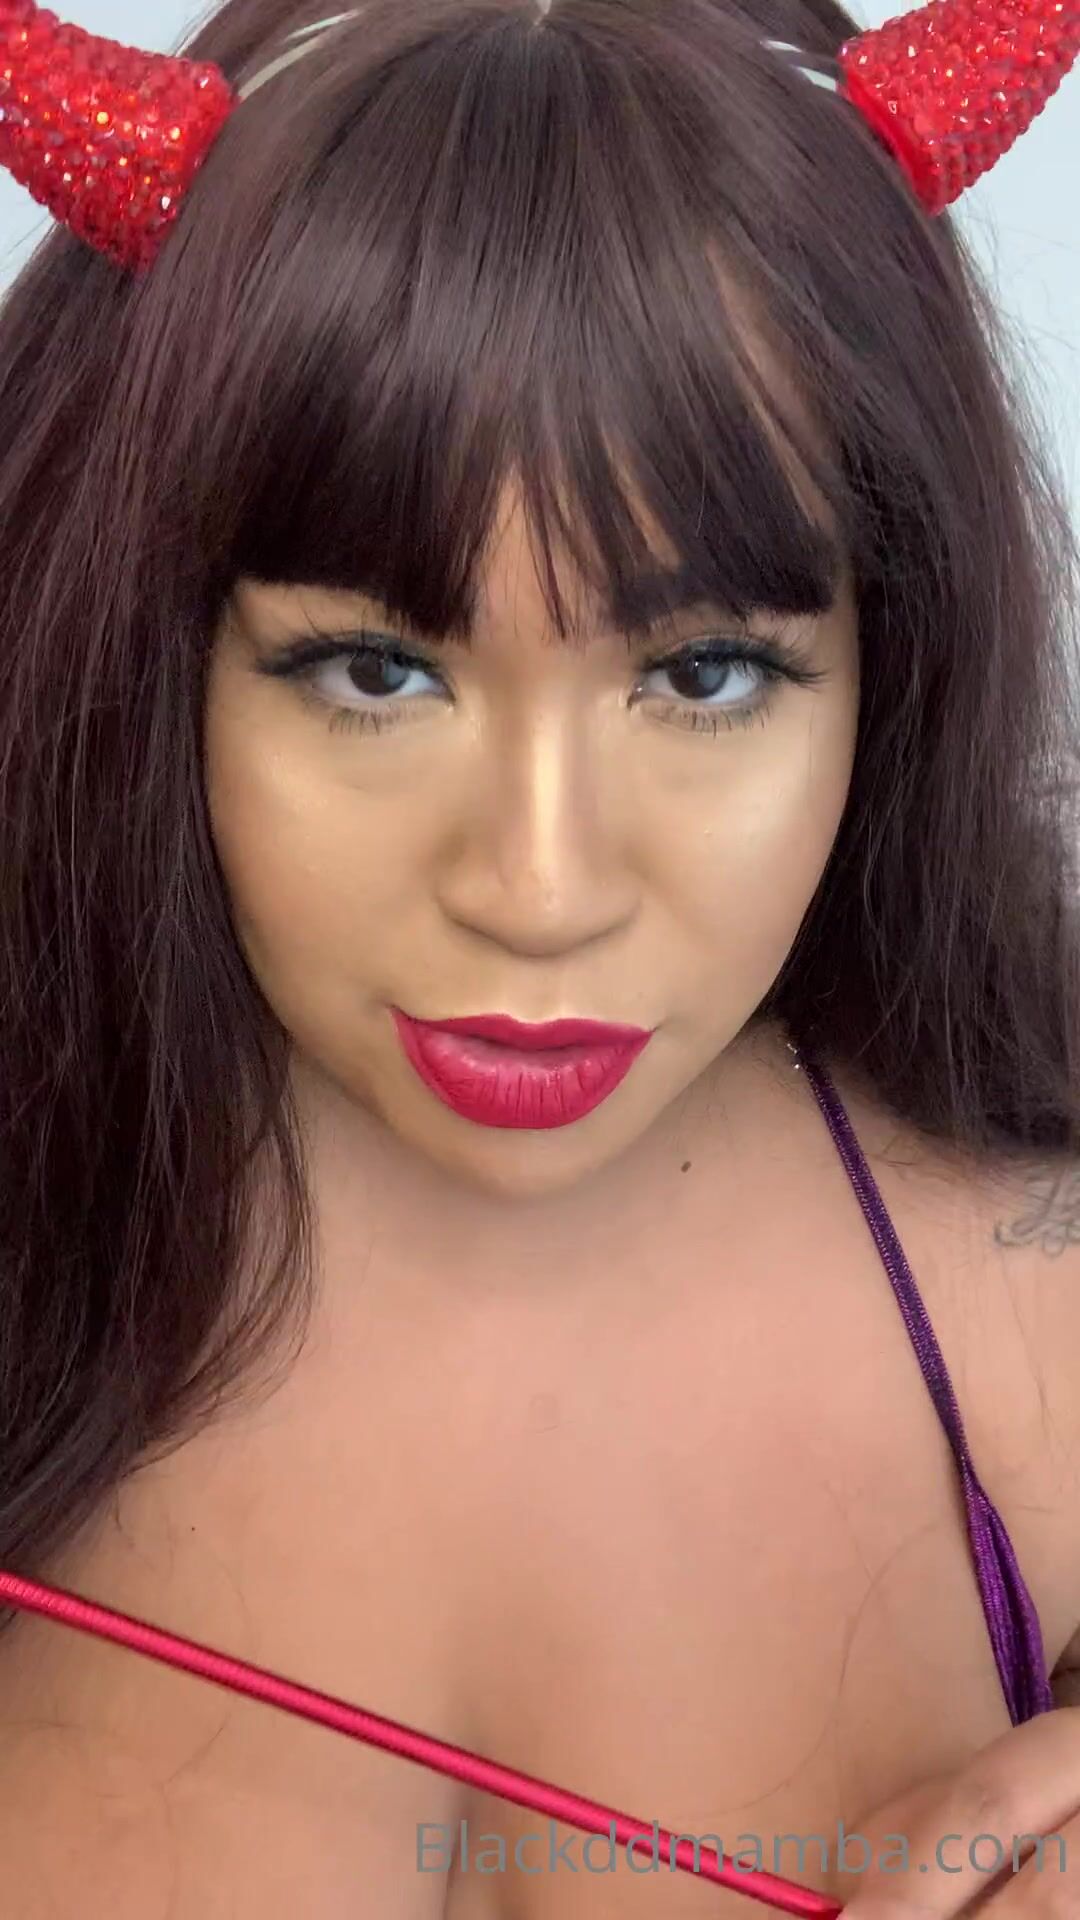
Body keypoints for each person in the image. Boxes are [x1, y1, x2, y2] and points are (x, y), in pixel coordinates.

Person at [0, 0, 1078, 1911]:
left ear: (890, 666)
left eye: (706, 673)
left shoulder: (1038, 1315)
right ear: (147, 648)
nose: (539, 885)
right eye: (372, 669)